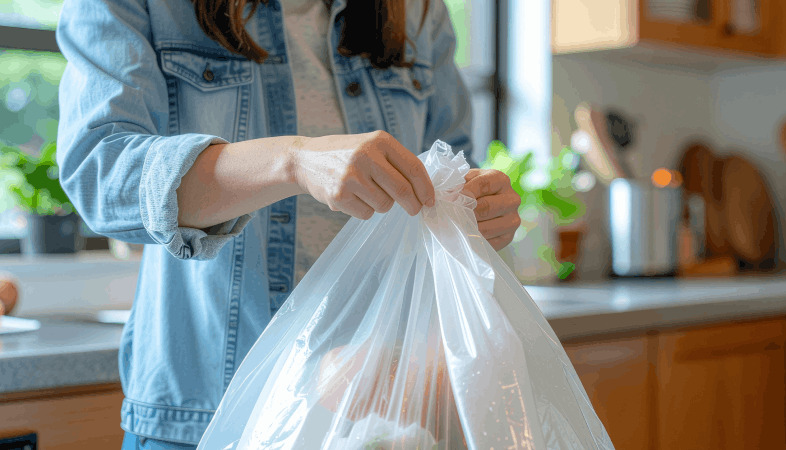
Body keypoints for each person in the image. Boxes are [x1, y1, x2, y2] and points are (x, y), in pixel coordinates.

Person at [56, 0, 521, 447]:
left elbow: (453, 173)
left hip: (382, 416)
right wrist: (293, 160)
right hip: (211, 417)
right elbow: (100, 173)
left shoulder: (417, 11)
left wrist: (477, 215)